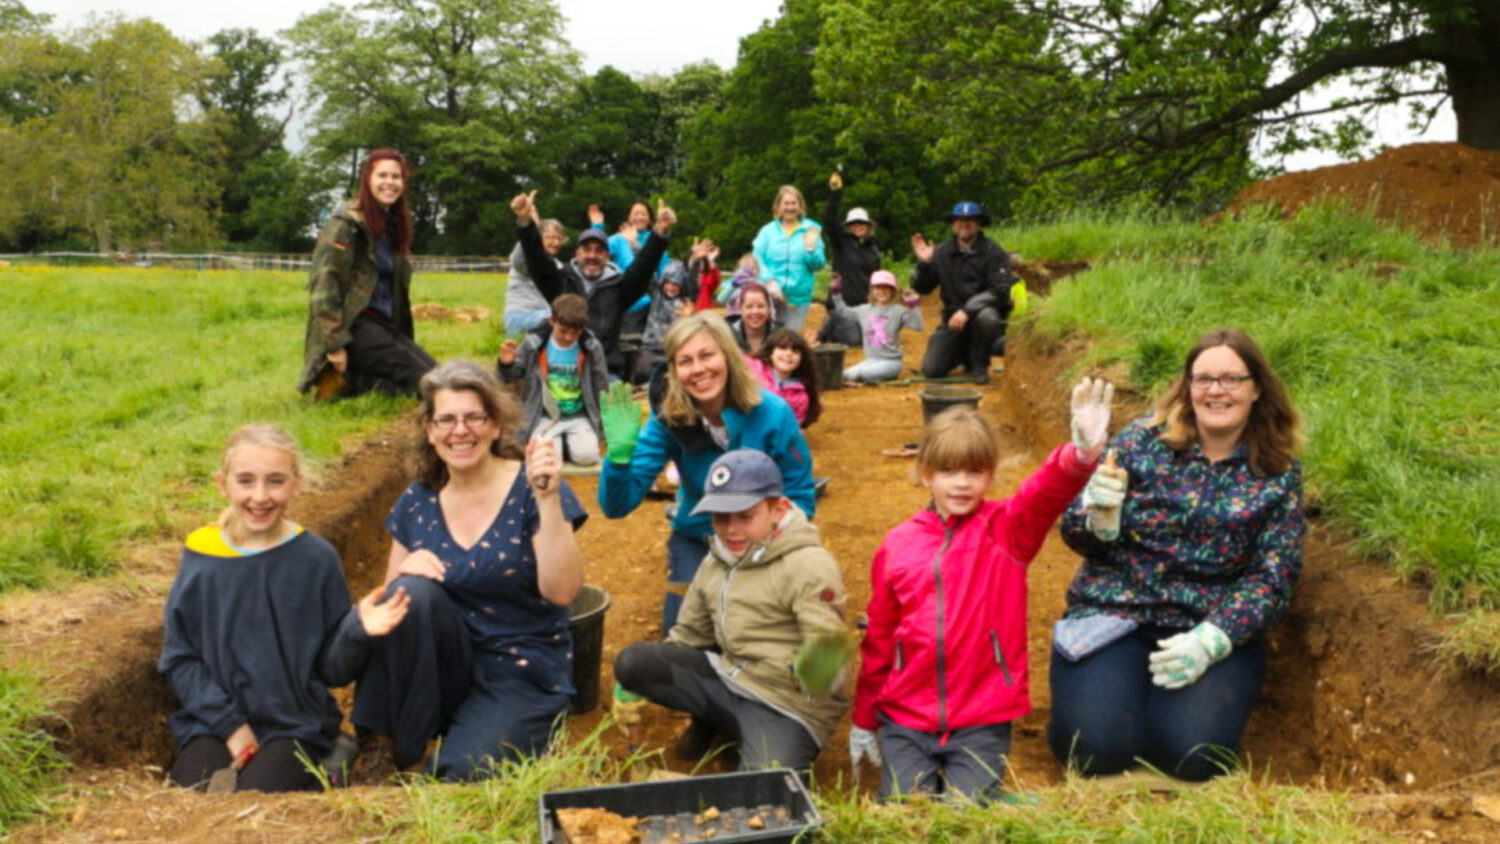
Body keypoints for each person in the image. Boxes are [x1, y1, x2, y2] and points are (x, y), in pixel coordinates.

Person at [1048, 328, 1306, 783]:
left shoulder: (1276, 472)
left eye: (1230, 378)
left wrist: (1214, 638)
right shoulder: (1140, 443)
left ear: (1256, 388)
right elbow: (1074, 532)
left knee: (1194, 757)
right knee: (1095, 750)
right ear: (1187, 387)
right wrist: (1098, 519)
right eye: (1203, 378)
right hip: (1115, 612)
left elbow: (1273, 576)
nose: (1216, 390)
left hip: (1204, 626)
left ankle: (1168, 707)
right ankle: (1102, 703)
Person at [850, 382, 1114, 801]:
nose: (961, 484)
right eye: (948, 471)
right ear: (924, 474)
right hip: (905, 718)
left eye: (974, 471)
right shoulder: (896, 546)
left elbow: (1043, 494)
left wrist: (1079, 457)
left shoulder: (1006, 532)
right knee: (903, 809)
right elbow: (879, 638)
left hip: (981, 718)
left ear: (990, 474)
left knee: (965, 813)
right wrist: (865, 718)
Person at [352, 361, 588, 782]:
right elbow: (391, 607)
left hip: (519, 668)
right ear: (430, 431)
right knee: (410, 592)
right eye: (446, 419)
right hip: (444, 663)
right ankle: (379, 742)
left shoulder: (530, 489)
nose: (460, 430)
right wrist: (406, 570)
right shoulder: (417, 501)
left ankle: (480, 737)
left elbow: (563, 592)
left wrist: (549, 499)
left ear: (495, 426)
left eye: (473, 417)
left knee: (461, 774)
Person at [160, 425, 411, 793]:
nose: (260, 496)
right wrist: (231, 726)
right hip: (212, 724)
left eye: (275, 481)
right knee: (193, 799)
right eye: (245, 481)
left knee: (256, 803)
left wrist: (357, 629)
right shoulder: (202, 556)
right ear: (223, 483)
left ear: (296, 483)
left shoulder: (314, 559)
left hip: (295, 725)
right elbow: (180, 659)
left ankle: (333, 759)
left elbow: (331, 670)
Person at [612, 449, 850, 773]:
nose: (731, 529)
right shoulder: (718, 557)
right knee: (635, 663)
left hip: (784, 703)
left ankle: (757, 738)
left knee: (762, 795)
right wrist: (633, 685)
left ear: (777, 509)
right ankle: (718, 723)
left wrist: (813, 669)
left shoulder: (809, 565)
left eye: (745, 515)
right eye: (721, 517)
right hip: (730, 678)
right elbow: (689, 635)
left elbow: (830, 654)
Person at [598, 312, 816, 634]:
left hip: (765, 541)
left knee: (758, 631)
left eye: (707, 355)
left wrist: (770, 546)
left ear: (727, 356)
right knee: (686, 632)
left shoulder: (773, 413)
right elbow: (617, 505)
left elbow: (800, 496)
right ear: (674, 371)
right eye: (684, 361)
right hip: (700, 538)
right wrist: (618, 459)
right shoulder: (668, 421)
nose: (698, 369)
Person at [299, 148, 437, 399]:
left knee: (436, 373)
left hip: (383, 325)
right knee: (428, 382)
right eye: (382, 175)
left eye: (396, 177)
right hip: (354, 326)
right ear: (367, 179)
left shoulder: (393, 226)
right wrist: (335, 344)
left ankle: (353, 382)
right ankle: (336, 375)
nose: (390, 183)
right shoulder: (344, 225)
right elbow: (323, 285)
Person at [512, 191, 673, 379]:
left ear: (607, 256)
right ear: (577, 253)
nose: (592, 256)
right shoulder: (561, 282)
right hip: (562, 368)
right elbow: (537, 260)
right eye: (586, 250)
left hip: (604, 370)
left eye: (599, 251)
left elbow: (643, 267)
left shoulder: (619, 288)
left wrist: (660, 232)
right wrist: (525, 223)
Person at [909, 201, 1015, 385]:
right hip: (953, 320)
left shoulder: (994, 252)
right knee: (932, 370)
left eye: (970, 220)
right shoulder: (942, 252)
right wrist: (925, 264)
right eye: (960, 220)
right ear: (953, 223)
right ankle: (964, 353)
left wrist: (967, 310)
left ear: (979, 223)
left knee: (988, 318)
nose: (964, 224)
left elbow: (1000, 290)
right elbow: (922, 288)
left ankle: (980, 363)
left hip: (981, 314)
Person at [498, 294, 609, 467]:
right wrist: (506, 364)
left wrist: (603, 420)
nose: (568, 337)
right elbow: (510, 376)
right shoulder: (534, 344)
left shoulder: (591, 347)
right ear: (552, 321)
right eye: (563, 331)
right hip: (544, 415)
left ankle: (570, 441)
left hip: (577, 415)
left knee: (587, 457)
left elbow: (601, 383)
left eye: (575, 332)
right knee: (547, 460)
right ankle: (559, 442)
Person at [819, 171, 882, 347]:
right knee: (854, 341)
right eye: (853, 223)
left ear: (868, 225)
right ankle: (829, 327)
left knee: (874, 339)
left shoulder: (874, 250)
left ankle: (836, 327)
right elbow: (829, 221)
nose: (857, 226)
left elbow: (876, 280)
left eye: (861, 223)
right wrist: (835, 194)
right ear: (848, 226)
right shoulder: (842, 242)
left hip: (862, 307)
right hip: (841, 304)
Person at [752, 185, 826, 331]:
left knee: (789, 341)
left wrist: (811, 251)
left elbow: (818, 265)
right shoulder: (767, 231)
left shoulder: (811, 229)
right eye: (786, 203)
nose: (790, 208)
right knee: (766, 339)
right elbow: (756, 257)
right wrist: (768, 280)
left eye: (794, 203)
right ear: (778, 206)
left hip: (797, 300)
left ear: (800, 206)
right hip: (768, 297)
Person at [831, 270, 923, 385]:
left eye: (886, 288)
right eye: (878, 287)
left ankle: (867, 380)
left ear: (893, 291)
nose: (882, 291)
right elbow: (843, 312)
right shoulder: (864, 310)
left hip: (891, 363)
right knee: (845, 373)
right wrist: (836, 292)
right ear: (872, 290)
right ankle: (866, 380)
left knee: (856, 374)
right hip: (871, 361)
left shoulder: (898, 311)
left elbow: (917, 326)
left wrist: (913, 304)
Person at [635, 259, 699, 384]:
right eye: (667, 283)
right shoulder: (657, 295)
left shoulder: (684, 303)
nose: (670, 288)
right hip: (650, 347)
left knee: (669, 381)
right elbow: (647, 273)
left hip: (671, 352)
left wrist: (695, 262)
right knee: (643, 375)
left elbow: (693, 284)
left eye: (675, 284)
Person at [504, 218, 568, 336]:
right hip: (520, 318)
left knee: (571, 315)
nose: (556, 243)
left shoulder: (557, 265)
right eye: (551, 237)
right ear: (538, 237)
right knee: (563, 317)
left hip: (545, 317)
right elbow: (525, 247)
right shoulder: (524, 259)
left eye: (559, 239)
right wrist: (530, 231)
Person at [749, 328, 821, 427]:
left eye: (795, 351)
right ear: (771, 353)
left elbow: (792, 431)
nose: (789, 354)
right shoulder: (753, 367)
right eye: (783, 348)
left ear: (801, 360)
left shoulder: (800, 398)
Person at [726, 282, 782, 356]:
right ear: (740, 308)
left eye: (760, 306)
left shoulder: (781, 337)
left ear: (768, 308)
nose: (755, 311)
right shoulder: (727, 336)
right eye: (749, 307)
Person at [691, 238, 722, 313]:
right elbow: (689, 274)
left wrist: (710, 260)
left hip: (704, 310)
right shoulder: (695, 266)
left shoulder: (710, 272)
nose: (706, 254)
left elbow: (714, 282)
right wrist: (695, 256)